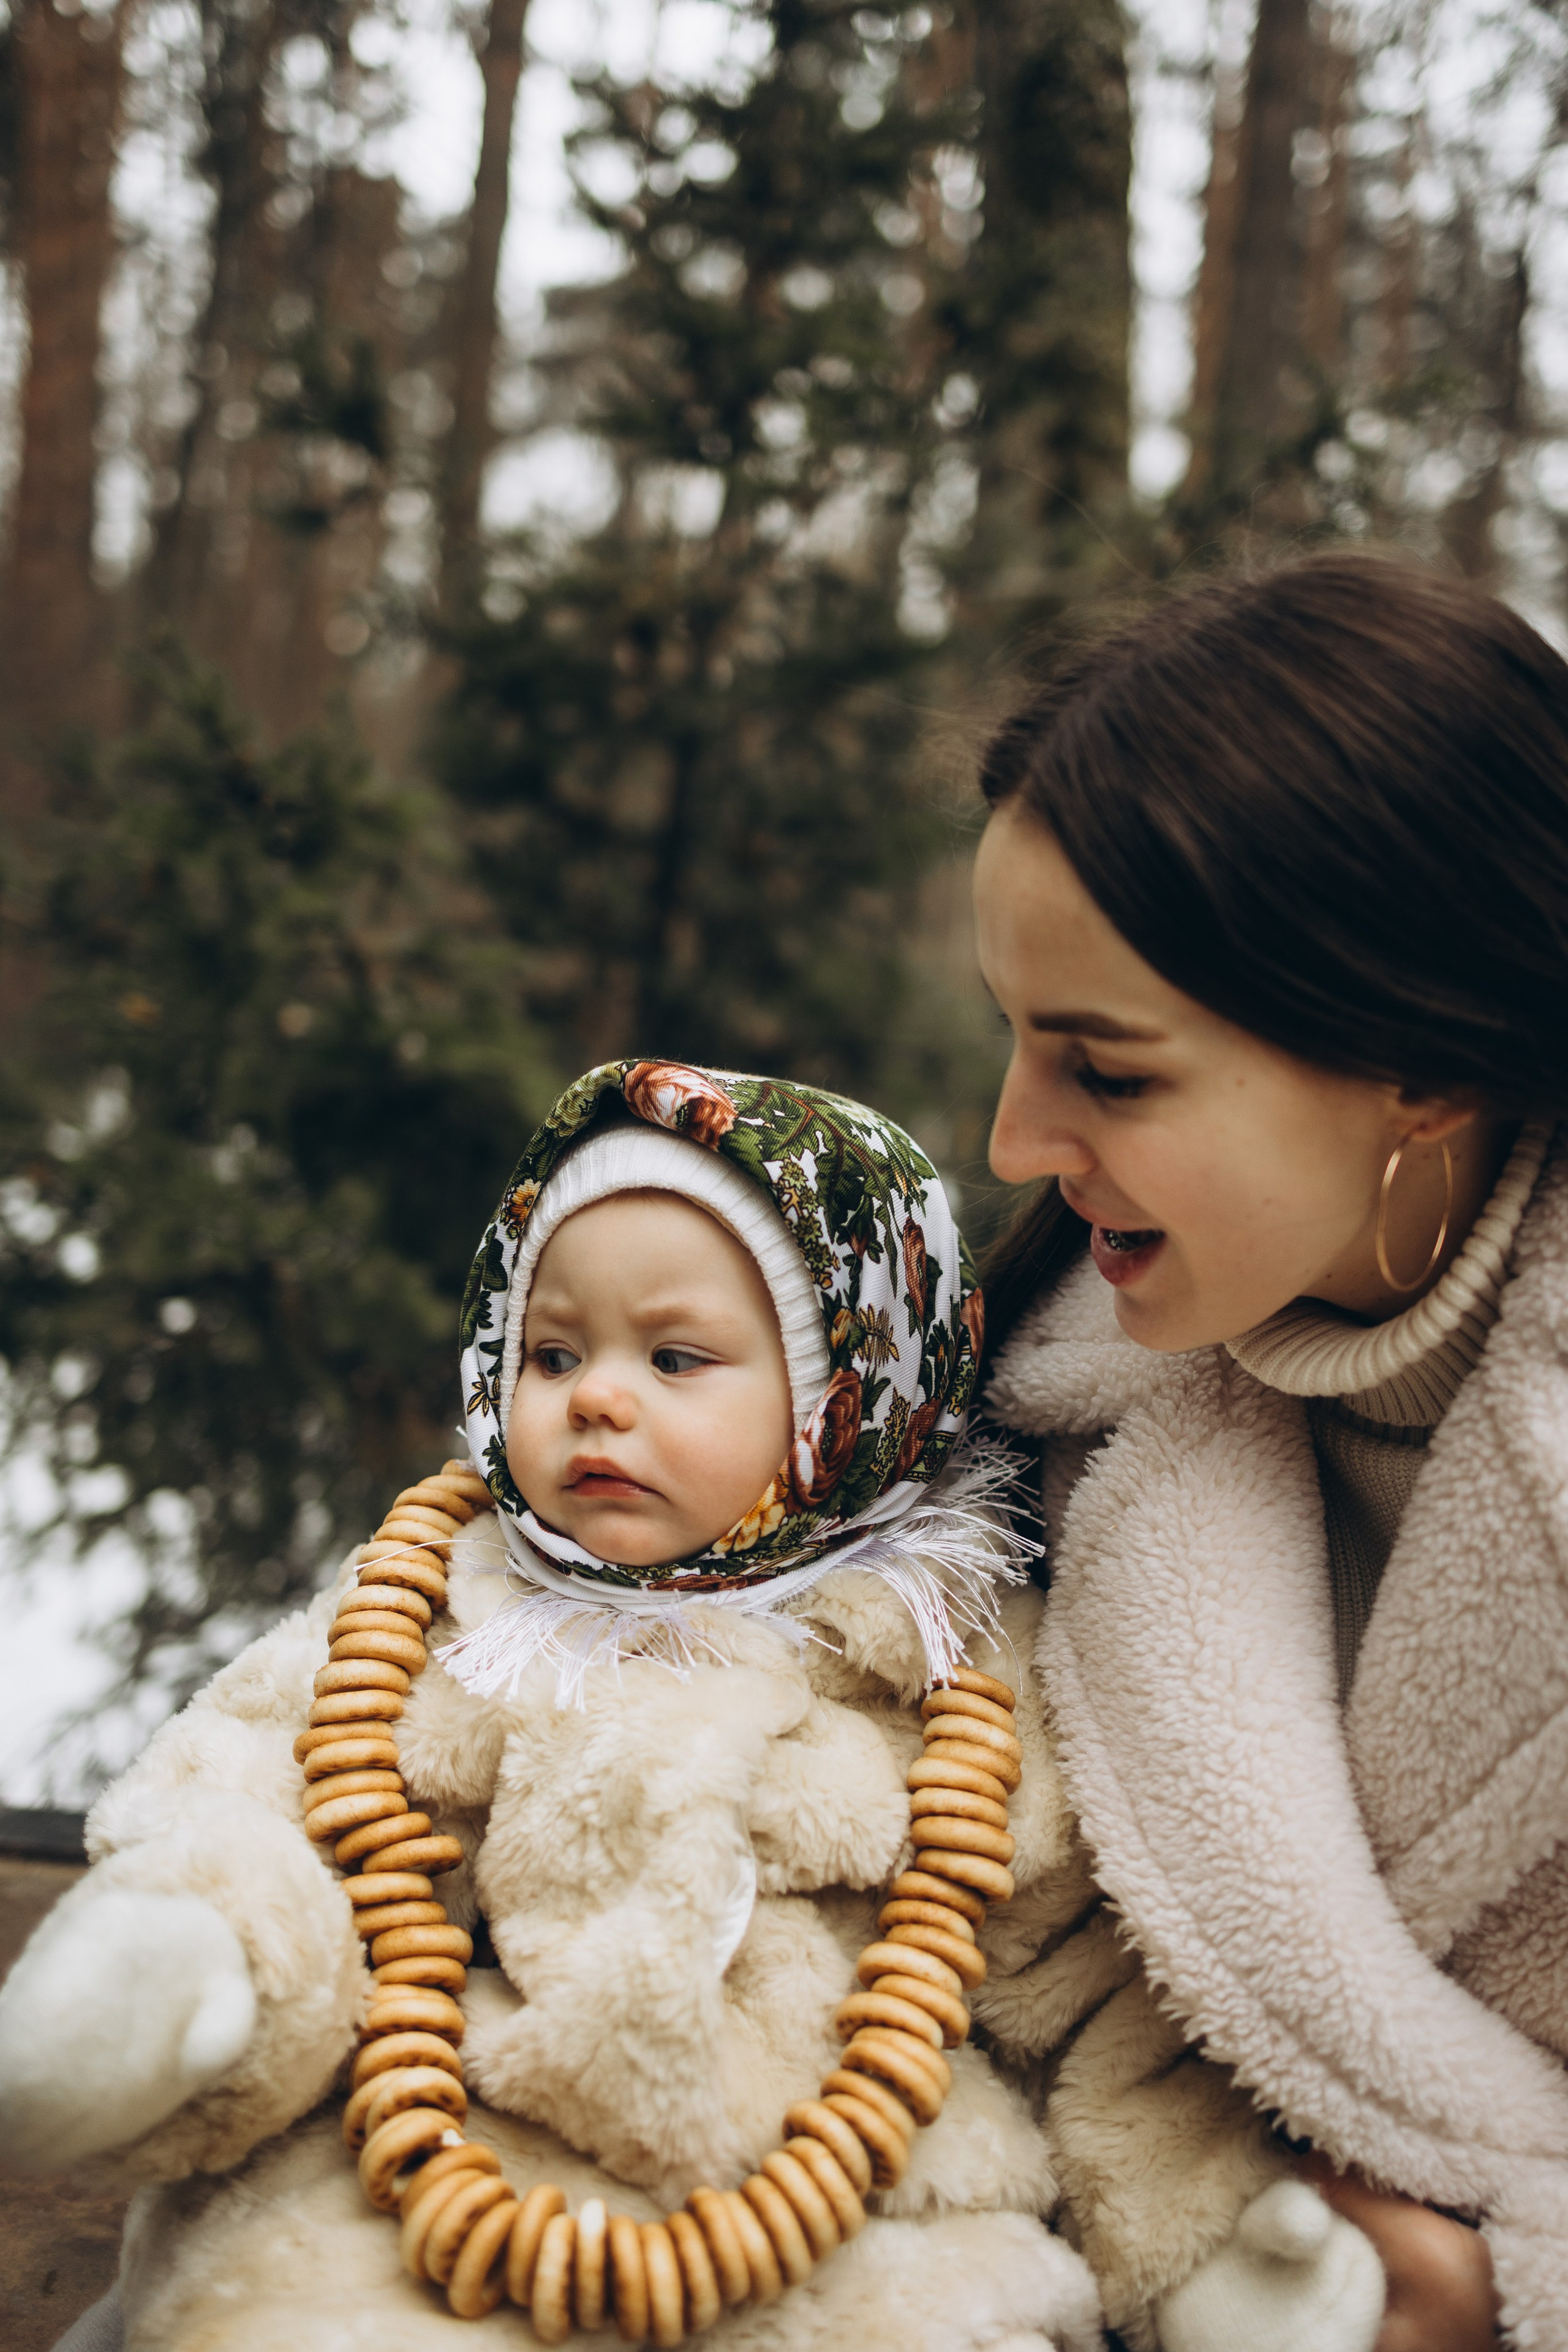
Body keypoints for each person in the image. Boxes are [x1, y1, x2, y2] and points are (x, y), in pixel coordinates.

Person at [0, 1060, 1390, 2352]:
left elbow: (1089, 1993)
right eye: (552, 1354)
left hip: (857, 2204)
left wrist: (1195, 2232)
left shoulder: (959, 1667)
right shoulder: (439, 1606)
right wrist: (195, 1950)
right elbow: (263, 1785)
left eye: (674, 1360)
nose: (595, 1399)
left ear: (851, 1397)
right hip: (443, 2160)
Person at [971, 551, 1568, 2352]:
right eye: (1011, 1040)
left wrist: (1519, 2300)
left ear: (1424, 1062)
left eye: (1108, 1071)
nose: (1011, 1142)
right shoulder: (1034, 1415)